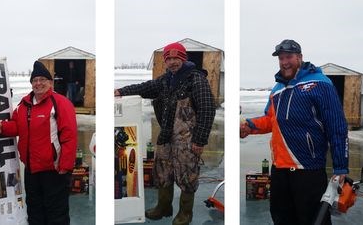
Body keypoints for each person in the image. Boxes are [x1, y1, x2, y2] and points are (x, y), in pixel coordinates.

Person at [239, 39, 348, 225]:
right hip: (280, 168)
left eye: (288, 57)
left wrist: (340, 167)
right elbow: (271, 121)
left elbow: (337, 126)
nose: (284, 62)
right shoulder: (277, 89)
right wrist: (249, 126)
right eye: (281, 58)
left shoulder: (320, 83)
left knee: (314, 219)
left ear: (300, 57)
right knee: (281, 217)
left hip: (308, 169)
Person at [115, 42, 216, 225]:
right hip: (166, 136)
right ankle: (164, 207)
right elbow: (145, 88)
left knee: (187, 175)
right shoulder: (165, 80)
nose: (172, 62)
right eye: (168, 58)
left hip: (188, 140)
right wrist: (121, 91)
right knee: (162, 172)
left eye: (176, 58)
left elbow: (207, 110)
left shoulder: (196, 79)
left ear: (183, 59)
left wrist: (200, 140)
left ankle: (185, 213)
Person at [0, 61, 78, 225]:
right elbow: (17, 126)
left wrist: (65, 167)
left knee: (56, 212)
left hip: (54, 169)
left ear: (50, 82)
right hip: (31, 170)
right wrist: (0, 127)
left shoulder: (60, 103)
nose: (38, 83)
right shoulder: (24, 105)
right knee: (35, 210)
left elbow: (70, 136)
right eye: (35, 80)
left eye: (42, 80)